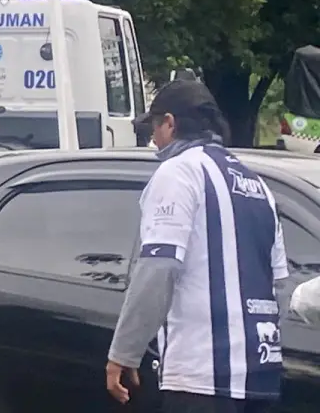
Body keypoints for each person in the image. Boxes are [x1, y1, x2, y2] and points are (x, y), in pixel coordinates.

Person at [106, 79, 288, 412]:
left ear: (170, 123)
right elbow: (279, 285)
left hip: (201, 378)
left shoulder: (178, 172)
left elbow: (159, 268)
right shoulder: (257, 184)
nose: (154, 140)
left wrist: (124, 352)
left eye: (154, 129)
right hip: (260, 378)